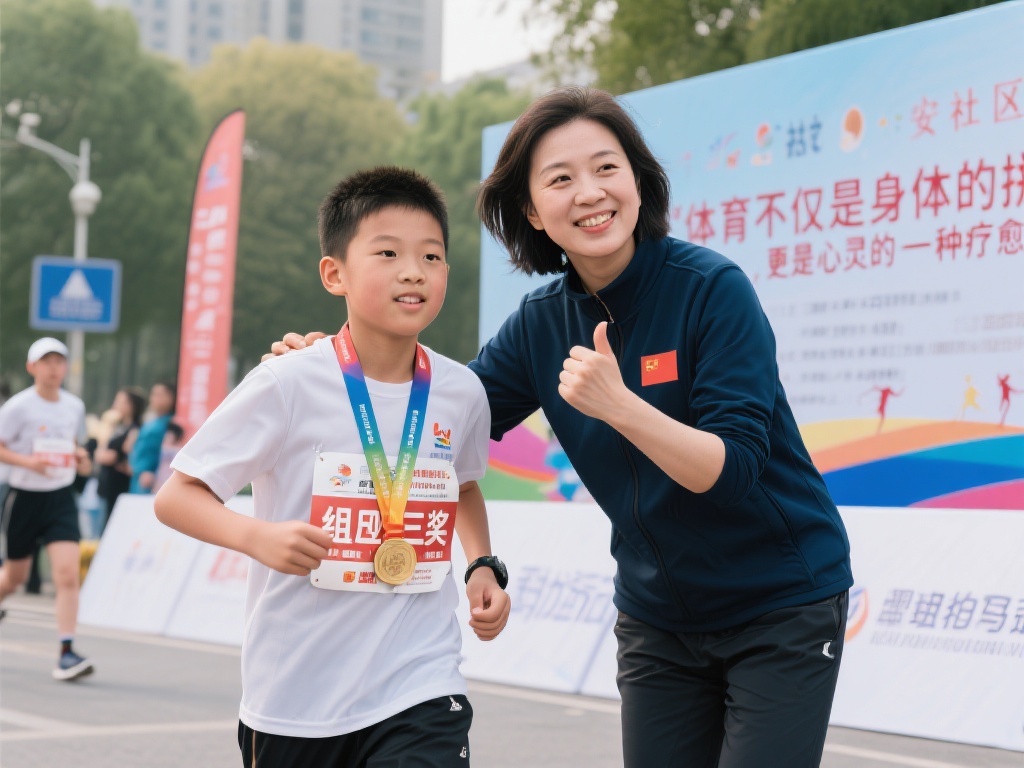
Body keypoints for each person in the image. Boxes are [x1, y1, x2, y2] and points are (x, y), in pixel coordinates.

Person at [269, 87, 854, 767]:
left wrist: (620, 405)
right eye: (561, 179)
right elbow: (436, 416)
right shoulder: (541, 323)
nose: (590, 193)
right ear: (532, 212)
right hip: (658, 619)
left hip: (780, 604)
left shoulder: (711, 290)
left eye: (608, 168)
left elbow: (731, 472)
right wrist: (331, 368)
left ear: (639, 181)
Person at [155, 166, 511, 767]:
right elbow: (177, 496)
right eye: (389, 253)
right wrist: (257, 537)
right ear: (334, 273)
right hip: (295, 695)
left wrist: (480, 563)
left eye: (431, 256)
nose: (412, 271)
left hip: (420, 680)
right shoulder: (287, 381)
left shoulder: (461, 391)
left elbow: (464, 484)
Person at [0, 337, 95, 680]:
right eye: (46, 361)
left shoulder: (73, 406)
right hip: (25, 497)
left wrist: (81, 458)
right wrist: (28, 462)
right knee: (14, 577)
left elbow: (73, 445)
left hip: (60, 498)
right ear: (32, 367)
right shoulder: (18, 407)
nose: (53, 368)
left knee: (67, 575)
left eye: (59, 361)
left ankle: (67, 653)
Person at [95, 387, 146, 525]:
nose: (116, 404)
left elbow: (113, 456)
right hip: (108, 482)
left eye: (120, 401)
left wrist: (106, 455)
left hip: (120, 484)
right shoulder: (117, 427)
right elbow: (101, 453)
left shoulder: (135, 430)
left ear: (131, 405)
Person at [128, 382, 174, 494]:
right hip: (138, 477)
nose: (153, 398)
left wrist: (149, 471)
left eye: (159, 395)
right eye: (153, 394)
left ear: (171, 398)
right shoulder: (151, 423)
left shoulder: (171, 424)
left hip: (152, 480)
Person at [150, 420, 184, 494]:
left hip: (171, 486)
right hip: (160, 484)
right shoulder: (160, 451)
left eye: (168, 437)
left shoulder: (178, 452)